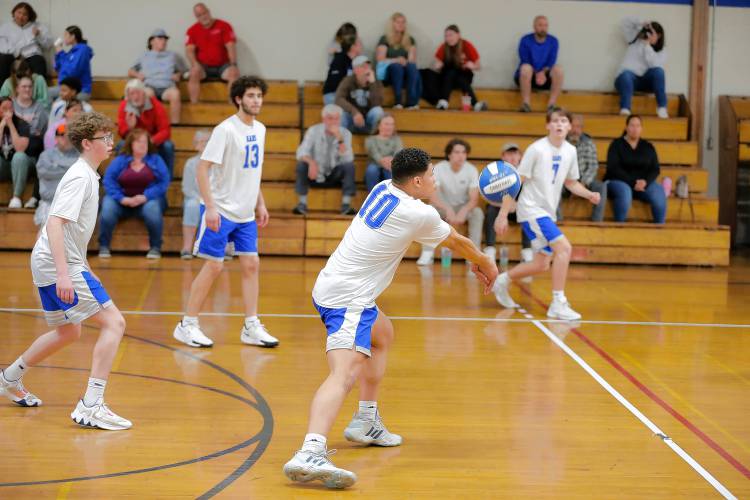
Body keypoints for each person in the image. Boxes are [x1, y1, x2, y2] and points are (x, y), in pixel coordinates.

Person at [282, 147, 499, 489]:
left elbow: (453, 241)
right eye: (431, 175)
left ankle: (366, 420)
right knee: (344, 374)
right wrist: (487, 263)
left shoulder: (384, 188)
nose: (435, 179)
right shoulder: (418, 213)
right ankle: (310, 451)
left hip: (340, 286)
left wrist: (475, 257)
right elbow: (456, 241)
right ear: (416, 181)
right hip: (348, 299)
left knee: (382, 334)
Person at [0, 111, 132, 431]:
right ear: (87, 143)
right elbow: (56, 223)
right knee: (115, 323)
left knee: (68, 331)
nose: (111, 142)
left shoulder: (88, 174)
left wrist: (83, 266)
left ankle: (9, 378)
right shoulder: (80, 177)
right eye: (104, 138)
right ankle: (91, 405)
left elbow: (72, 230)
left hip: (51, 260)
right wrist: (64, 273)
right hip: (55, 263)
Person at [172, 75, 279, 349]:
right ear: (238, 99)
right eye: (251, 95)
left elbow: (252, 172)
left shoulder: (261, 129)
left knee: (251, 264)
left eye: (259, 95)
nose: (256, 100)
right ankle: (187, 324)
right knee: (214, 266)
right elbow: (201, 168)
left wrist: (261, 203)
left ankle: (251, 325)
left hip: (245, 214)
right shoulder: (225, 130)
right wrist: (209, 206)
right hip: (221, 210)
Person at [492, 108, 601, 321]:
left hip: (547, 212)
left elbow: (571, 183)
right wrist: (503, 214)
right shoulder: (536, 149)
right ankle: (557, 303)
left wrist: (589, 195)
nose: (559, 124)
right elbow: (516, 182)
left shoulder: (570, 151)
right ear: (547, 126)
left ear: (569, 126)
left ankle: (502, 280)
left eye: (563, 121)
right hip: (531, 209)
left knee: (541, 263)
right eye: (555, 121)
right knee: (564, 248)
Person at [98, 129, 169, 259]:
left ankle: (155, 247)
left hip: (147, 200)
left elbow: (163, 182)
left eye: (145, 142)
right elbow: (108, 180)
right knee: (107, 207)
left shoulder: (156, 160)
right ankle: (104, 246)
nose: (142, 145)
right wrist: (121, 198)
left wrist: (145, 196)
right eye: (138, 142)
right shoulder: (121, 160)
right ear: (131, 144)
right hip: (122, 201)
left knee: (152, 209)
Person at [416, 138, 483, 265]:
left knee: (478, 213)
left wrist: (463, 211)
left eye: (463, 152)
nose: (461, 156)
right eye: (457, 152)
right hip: (443, 206)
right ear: (449, 154)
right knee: (429, 211)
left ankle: (474, 255)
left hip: (462, 206)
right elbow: (433, 197)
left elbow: (474, 199)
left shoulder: (471, 170)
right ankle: (427, 253)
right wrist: (448, 209)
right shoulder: (438, 168)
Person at [293, 104, 356, 216]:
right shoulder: (313, 131)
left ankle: (346, 206)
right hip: (315, 173)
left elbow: (349, 158)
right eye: (330, 118)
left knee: (349, 166)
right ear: (323, 119)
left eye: (336, 118)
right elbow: (301, 152)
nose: (333, 122)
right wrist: (311, 163)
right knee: (302, 165)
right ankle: (302, 204)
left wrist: (340, 139)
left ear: (340, 120)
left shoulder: (345, 133)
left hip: (334, 174)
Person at [604, 114, 666, 223]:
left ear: (641, 128)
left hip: (643, 184)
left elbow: (655, 169)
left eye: (638, 126)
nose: (635, 129)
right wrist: (633, 183)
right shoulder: (616, 145)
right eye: (632, 125)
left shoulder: (648, 146)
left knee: (659, 193)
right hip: (619, 182)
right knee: (625, 192)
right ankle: (619, 227)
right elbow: (613, 168)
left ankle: (659, 229)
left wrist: (645, 182)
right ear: (626, 127)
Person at [483, 143, 532, 263]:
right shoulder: (494, 171)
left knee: (529, 212)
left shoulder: (526, 173)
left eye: (516, 153)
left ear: (520, 156)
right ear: (503, 156)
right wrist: (505, 206)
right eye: (509, 154)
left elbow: (532, 195)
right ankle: (490, 250)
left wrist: (518, 205)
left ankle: (527, 251)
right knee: (490, 210)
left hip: (520, 208)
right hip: (500, 208)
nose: (513, 157)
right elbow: (486, 195)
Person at [117, 78, 174, 177]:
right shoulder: (124, 106)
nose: (135, 97)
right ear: (128, 96)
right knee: (121, 145)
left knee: (168, 146)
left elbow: (165, 131)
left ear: (144, 93)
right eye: (132, 94)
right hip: (134, 140)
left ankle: (167, 178)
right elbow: (121, 132)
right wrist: (130, 128)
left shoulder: (155, 104)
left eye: (137, 93)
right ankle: (121, 176)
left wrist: (150, 141)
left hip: (153, 140)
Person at [129, 28, 188, 125]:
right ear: (152, 41)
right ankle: (148, 125)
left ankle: (175, 126)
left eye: (165, 39)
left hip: (167, 87)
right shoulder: (144, 56)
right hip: (150, 86)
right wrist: (137, 75)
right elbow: (130, 71)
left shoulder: (173, 56)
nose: (163, 41)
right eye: (160, 38)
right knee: (146, 94)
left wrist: (178, 75)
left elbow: (185, 71)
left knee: (175, 94)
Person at [185, 2, 240, 104]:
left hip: (223, 65)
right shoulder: (192, 30)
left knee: (234, 73)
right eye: (199, 15)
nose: (203, 17)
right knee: (193, 72)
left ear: (208, 11)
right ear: (196, 17)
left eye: (204, 13)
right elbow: (189, 50)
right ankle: (195, 105)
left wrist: (233, 64)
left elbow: (231, 47)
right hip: (203, 66)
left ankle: (232, 106)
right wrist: (195, 64)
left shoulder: (224, 26)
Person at [424, 25, 486, 111]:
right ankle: (475, 104)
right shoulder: (444, 47)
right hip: (447, 80)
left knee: (458, 76)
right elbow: (436, 65)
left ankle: (444, 101)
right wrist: (438, 65)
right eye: (446, 36)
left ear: (458, 35)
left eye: (451, 35)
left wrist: (473, 66)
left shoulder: (466, 45)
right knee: (450, 72)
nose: (448, 38)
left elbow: (479, 66)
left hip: (464, 77)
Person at [615, 17, 668, 118]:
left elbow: (654, 65)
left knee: (659, 71)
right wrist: (641, 22)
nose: (648, 34)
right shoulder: (635, 39)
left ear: (659, 35)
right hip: (626, 81)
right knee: (626, 75)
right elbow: (624, 23)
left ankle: (662, 108)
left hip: (646, 83)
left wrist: (647, 46)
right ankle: (625, 109)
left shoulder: (662, 51)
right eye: (648, 31)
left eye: (652, 33)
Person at [557, 114, 606, 222]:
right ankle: (558, 221)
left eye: (578, 127)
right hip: (565, 181)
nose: (575, 130)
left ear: (582, 128)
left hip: (585, 181)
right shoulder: (560, 142)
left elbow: (593, 166)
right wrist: (570, 183)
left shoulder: (589, 143)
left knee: (600, 187)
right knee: (555, 187)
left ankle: (597, 222)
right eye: (573, 126)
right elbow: (559, 166)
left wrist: (582, 184)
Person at [514, 15, 563, 113]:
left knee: (558, 69)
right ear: (534, 27)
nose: (543, 28)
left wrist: (542, 73)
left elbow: (551, 61)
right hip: (528, 77)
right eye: (540, 25)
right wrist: (537, 73)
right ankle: (526, 104)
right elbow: (525, 59)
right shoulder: (525, 40)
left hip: (545, 77)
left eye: (545, 25)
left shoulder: (553, 41)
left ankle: (551, 105)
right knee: (525, 68)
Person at [34, 122, 78, 228]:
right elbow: (45, 172)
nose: (66, 139)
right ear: (56, 138)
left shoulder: (80, 156)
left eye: (69, 136)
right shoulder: (46, 155)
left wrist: (57, 166)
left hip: (73, 205)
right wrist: (70, 170)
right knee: (45, 235)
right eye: (63, 135)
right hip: (50, 203)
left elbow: (81, 176)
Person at [13, 73, 46, 208]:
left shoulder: (39, 107)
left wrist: (20, 128)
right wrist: (27, 127)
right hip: (9, 150)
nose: (27, 89)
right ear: (17, 89)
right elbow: (32, 129)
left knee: (38, 148)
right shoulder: (11, 105)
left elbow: (38, 131)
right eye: (24, 86)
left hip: (31, 154)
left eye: (30, 87)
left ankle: (34, 197)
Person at [375, 12, 421, 109]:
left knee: (412, 66)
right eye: (398, 22)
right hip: (389, 72)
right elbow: (380, 59)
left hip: (405, 72)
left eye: (403, 22)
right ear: (392, 24)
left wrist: (405, 61)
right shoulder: (385, 39)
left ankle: (411, 102)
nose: (401, 25)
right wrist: (396, 60)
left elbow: (412, 60)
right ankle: (398, 100)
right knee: (396, 67)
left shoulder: (410, 39)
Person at [0, 2, 52, 82]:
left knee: (39, 60)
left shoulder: (38, 26)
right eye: (19, 12)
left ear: (29, 16)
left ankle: (39, 92)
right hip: (12, 56)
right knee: (2, 59)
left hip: (31, 56)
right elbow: (2, 45)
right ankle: (3, 92)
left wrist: (39, 35)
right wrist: (17, 54)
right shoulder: (5, 27)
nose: (21, 16)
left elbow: (48, 45)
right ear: (14, 12)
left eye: (25, 14)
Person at [180, 129, 210, 259]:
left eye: (207, 141)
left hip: (214, 200)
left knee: (223, 208)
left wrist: (210, 201)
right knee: (192, 206)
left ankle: (221, 248)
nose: (203, 144)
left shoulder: (219, 163)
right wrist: (202, 200)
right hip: (194, 198)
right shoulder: (191, 163)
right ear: (196, 145)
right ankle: (187, 248)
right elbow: (187, 188)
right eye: (200, 141)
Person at [335, 55, 384, 134]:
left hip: (368, 121)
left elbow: (377, 103)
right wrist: (354, 112)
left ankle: (376, 142)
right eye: (363, 67)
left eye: (369, 66)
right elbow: (338, 99)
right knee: (342, 115)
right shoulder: (348, 81)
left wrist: (372, 84)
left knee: (378, 111)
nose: (367, 69)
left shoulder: (376, 82)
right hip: (353, 119)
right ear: (355, 70)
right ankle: (340, 142)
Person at [0, 95, 33, 208]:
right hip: (3, 165)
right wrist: (1, 128)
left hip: (23, 166)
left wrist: (10, 125)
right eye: (4, 108)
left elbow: (20, 148)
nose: (8, 112)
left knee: (19, 156)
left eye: (11, 108)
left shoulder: (22, 124)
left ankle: (16, 197)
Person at [51, 25, 93, 101]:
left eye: (66, 35)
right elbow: (57, 68)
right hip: (65, 88)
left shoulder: (83, 50)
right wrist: (58, 53)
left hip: (79, 90)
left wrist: (61, 53)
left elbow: (73, 72)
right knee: (45, 93)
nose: (64, 38)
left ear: (73, 36)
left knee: (59, 103)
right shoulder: (70, 53)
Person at [364, 114, 402, 193]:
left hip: (391, 165)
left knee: (393, 170)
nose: (389, 127)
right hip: (375, 165)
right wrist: (382, 160)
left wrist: (391, 161)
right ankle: (373, 197)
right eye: (386, 124)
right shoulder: (370, 140)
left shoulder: (397, 139)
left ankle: (391, 198)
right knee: (372, 170)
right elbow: (374, 154)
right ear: (379, 126)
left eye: (392, 124)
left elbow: (398, 153)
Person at [322, 34, 361, 106]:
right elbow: (335, 83)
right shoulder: (339, 59)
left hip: (345, 95)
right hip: (333, 94)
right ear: (353, 47)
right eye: (359, 44)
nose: (361, 46)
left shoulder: (355, 61)